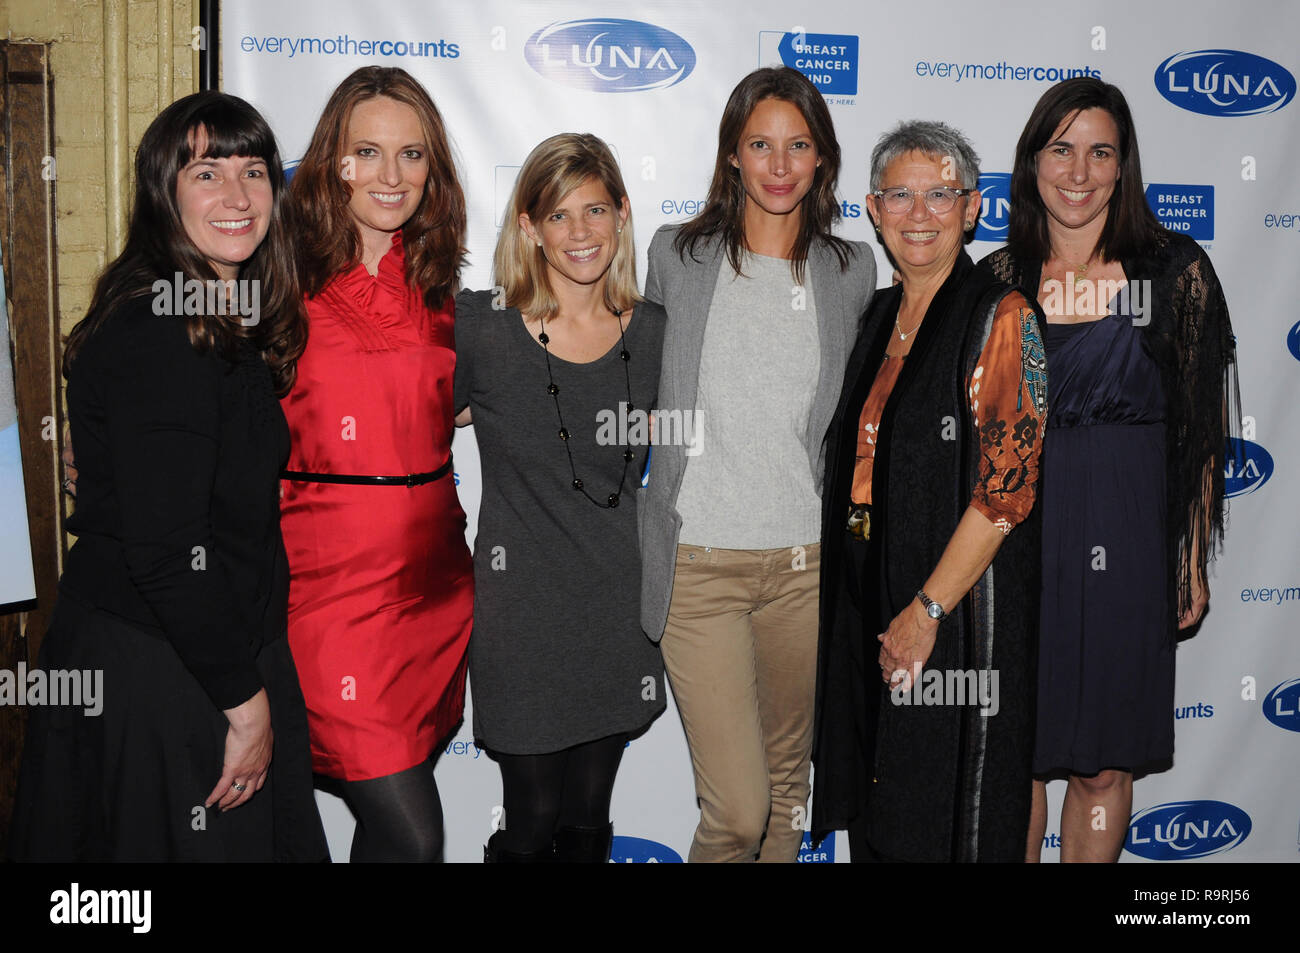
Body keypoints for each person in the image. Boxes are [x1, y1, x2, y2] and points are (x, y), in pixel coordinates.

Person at [9, 92, 326, 861]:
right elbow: (164, 551)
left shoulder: (212, 313)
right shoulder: (165, 328)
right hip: (167, 667)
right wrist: (244, 705)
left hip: (188, 652)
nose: (238, 196)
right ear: (164, 189)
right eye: (206, 172)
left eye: (254, 171)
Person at [980, 77, 1240, 862]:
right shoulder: (996, 284)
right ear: (1032, 164)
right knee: (1016, 759)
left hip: (1128, 546)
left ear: (1124, 167)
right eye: (1061, 149)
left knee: (1102, 765)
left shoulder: (1173, 272)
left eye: (1100, 152)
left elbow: (1200, 435)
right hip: (1020, 550)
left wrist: (1190, 555)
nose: (1080, 171)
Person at [638, 66, 876, 863]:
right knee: (737, 812)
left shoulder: (851, 272)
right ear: (732, 156)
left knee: (785, 796)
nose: (780, 165)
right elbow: (626, 367)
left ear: (821, 160)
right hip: (699, 566)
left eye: (798, 145)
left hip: (805, 567)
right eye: (761, 145)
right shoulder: (678, 255)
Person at [812, 120, 1048, 863]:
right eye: (901, 196)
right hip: (869, 596)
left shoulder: (1003, 317)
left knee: (949, 814)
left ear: (973, 209)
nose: (920, 213)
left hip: (956, 615)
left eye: (940, 194)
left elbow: (1006, 490)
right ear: (874, 211)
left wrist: (926, 610)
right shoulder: (876, 316)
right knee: (882, 808)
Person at [455, 133, 666, 863]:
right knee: (531, 815)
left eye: (596, 210)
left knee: (586, 814)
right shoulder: (482, 327)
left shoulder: (657, 331)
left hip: (616, 609)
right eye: (559, 214)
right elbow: (404, 417)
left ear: (623, 213)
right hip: (521, 616)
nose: (580, 233)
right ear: (528, 227)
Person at [279, 66, 472, 862]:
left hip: (433, 586)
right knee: (415, 836)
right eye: (368, 152)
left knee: (385, 838)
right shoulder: (277, 277)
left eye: (413, 155)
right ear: (334, 161)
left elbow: (450, 402)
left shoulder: (440, 287)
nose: (392, 177)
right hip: (329, 594)